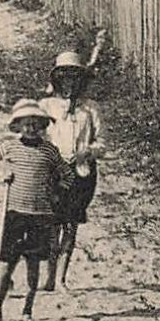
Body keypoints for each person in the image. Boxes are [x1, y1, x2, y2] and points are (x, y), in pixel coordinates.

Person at [0, 99, 72, 321]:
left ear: (41, 126)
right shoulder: (10, 147)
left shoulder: (49, 150)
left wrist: (56, 192)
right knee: (5, 263)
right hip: (15, 213)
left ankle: (27, 309)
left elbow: (67, 174)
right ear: (18, 126)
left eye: (35, 124)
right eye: (25, 124)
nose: (30, 128)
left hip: (41, 214)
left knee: (33, 264)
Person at [40, 34, 107, 292]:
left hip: (81, 173)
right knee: (52, 224)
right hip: (54, 173)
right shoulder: (46, 106)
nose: (69, 82)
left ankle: (62, 278)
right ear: (58, 79)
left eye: (75, 77)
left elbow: (102, 143)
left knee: (70, 224)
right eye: (65, 77)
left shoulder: (90, 110)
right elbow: (38, 136)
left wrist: (86, 153)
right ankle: (48, 276)